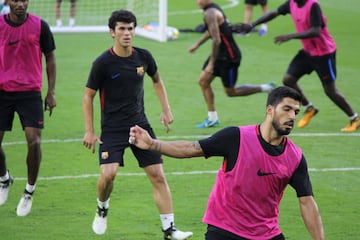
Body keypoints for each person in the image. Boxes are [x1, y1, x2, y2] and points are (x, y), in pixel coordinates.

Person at [129, 86, 325, 240]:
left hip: (266, 234)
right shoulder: (236, 137)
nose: (292, 117)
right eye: (287, 109)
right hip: (224, 230)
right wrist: (153, 144)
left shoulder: (295, 157)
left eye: (296, 112)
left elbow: (307, 202)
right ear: (270, 110)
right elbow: (191, 149)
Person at [82, 9, 193, 239]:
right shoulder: (102, 63)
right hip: (112, 128)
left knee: (158, 175)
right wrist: (90, 131)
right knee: (109, 174)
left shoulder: (144, 56)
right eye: (121, 29)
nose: (127, 33)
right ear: (112, 32)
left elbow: (157, 80)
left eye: (130, 28)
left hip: (140, 125)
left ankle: (169, 229)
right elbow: (88, 96)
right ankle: (102, 207)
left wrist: (166, 109)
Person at [240, 0, 360, 132]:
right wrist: (252, 24)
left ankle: (354, 118)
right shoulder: (292, 3)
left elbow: (316, 31)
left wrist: (290, 36)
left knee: (330, 90)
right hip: (308, 51)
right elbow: (274, 13)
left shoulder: (312, 6)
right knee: (288, 79)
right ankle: (309, 108)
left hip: (323, 53)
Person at [0, 0, 56, 216]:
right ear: (7, 2)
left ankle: (29, 192)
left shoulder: (40, 26)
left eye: (24, 0)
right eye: (15, 0)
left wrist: (50, 92)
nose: (20, 4)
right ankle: (5, 179)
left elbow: (50, 58)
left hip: (30, 92)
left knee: (34, 141)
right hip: (2, 91)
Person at [189, 0, 275, 129]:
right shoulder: (211, 10)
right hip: (220, 54)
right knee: (203, 81)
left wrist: (211, 64)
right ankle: (212, 118)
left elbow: (217, 40)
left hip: (229, 57)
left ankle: (266, 88)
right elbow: (212, 30)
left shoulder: (210, 13)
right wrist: (198, 44)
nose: (198, 1)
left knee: (231, 92)